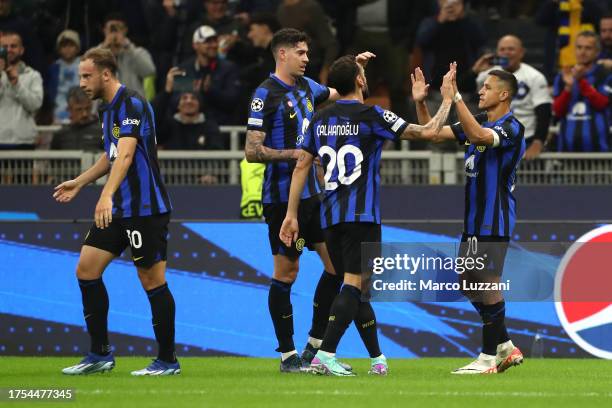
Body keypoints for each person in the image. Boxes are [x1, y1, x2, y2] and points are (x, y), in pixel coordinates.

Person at [279, 55, 454, 376]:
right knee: (354, 285)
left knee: (354, 286)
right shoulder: (373, 115)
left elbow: (302, 165)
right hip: (361, 215)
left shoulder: (319, 118)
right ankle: (325, 354)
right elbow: (429, 132)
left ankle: (376, 358)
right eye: (362, 75)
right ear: (360, 81)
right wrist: (441, 100)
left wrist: (291, 214)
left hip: (329, 216)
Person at [244, 28, 370, 372]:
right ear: (281, 54)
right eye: (300, 52)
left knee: (336, 268)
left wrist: (354, 69)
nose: (306, 58)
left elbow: (341, 91)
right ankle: (287, 355)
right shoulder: (264, 94)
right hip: (281, 197)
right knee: (287, 271)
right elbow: (252, 151)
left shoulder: (309, 87)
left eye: (307, 52)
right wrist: (297, 154)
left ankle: (314, 344)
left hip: (316, 196)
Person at [54, 47, 179, 376]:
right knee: (86, 269)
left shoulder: (132, 103)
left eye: (86, 75)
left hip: (144, 209)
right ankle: (100, 355)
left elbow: (126, 155)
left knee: (151, 280)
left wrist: (105, 196)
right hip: (119, 208)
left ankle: (167, 360)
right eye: (81, 75)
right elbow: (110, 156)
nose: (81, 82)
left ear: (106, 74)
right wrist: (80, 182)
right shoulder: (106, 109)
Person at [411, 63, 525, 374]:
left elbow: (479, 135)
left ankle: (488, 358)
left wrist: (456, 96)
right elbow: (431, 133)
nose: (481, 91)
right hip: (474, 222)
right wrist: (422, 101)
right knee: (467, 281)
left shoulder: (512, 127)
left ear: (504, 94)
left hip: (494, 219)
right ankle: (504, 345)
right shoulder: (475, 123)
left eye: (487, 88)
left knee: (488, 283)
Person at [472, 35, 552, 159]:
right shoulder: (486, 75)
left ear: (521, 53)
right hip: (493, 138)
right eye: (502, 49)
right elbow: (463, 91)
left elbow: (544, 113)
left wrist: (538, 142)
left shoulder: (535, 77)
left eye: (511, 49)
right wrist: (474, 71)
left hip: (525, 139)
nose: (506, 53)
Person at [553, 31, 612, 152]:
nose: (582, 52)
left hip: (599, 150)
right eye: (579, 47)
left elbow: (602, 104)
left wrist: (580, 81)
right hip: (567, 150)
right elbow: (557, 111)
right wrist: (568, 89)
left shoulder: (605, 75)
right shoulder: (562, 76)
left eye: (588, 48)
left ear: (597, 52)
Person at [178, 25, 241, 125]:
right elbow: (175, 101)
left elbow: (233, 101)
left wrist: (210, 91)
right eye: (207, 42)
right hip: (190, 128)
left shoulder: (229, 68)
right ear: (195, 45)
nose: (213, 45)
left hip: (220, 128)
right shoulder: (184, 69)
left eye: (215, 41)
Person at [153, 66, 224, 150]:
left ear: (199, 104)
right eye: (184, 98)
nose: (189, 101)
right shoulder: (169, 126)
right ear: (178, 105)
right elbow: (154, 117)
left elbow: (217, 151)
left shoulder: (210, 127)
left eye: (193, 98)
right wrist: (167, 91)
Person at [0, 31, 43, 149]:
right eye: (4, 47)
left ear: (21, 50)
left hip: (23, 140)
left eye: (13, 46)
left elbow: (35, 105)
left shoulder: (33, 75)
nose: (9, 50)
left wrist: (17, 84)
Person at [99, 13, 156, 99]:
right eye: (111, 29)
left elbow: (150, 71)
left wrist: (128, 46)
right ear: (104, 30)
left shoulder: (137, 52)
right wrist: (104, 48)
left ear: (125, 30)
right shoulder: (95, 52)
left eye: (119, 29)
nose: (115, 33)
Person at [47, 30, 82, 124]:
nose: (67, 49)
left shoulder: (84, 63)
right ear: (59, 49)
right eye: (64, 46)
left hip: (80, 106)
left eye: (71, 45)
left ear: (77, 48)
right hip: (58, 110)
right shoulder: (54, 67)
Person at [51, 87, 102, 151]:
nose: (84, 114)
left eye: (87, 108)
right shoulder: (60, 135)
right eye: (79, 109)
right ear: (69, 109)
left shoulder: (102, 133)